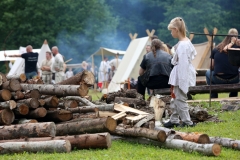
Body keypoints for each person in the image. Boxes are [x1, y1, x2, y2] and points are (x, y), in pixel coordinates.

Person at [163, 17, 197, 128]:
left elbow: (183, 65)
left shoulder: (183, 45)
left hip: (182, 74)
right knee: (175, 97)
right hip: (179, 73)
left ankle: (188, 122)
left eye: (171, 30)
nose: (171, 32)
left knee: (180, 98)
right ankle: (174, 119)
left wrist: (182, 82)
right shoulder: (184, 42)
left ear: (176, 29)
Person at [205, 28, 240, 98]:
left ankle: (213, 95)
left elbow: (211, 66)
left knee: (208, 72)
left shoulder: (216, 48)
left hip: (218, 79)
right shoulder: (237, 49)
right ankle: (233, 95)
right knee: (237, 72)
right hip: (234, 79)